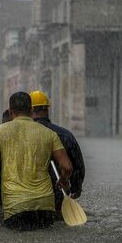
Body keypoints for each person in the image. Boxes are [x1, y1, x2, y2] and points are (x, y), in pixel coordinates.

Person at [0, 92, 73, 230]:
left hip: (15, 206)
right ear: (31, 111)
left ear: (10, 112)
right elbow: (67, 167)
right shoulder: (49, 134)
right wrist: (63, 180)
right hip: (45, 207)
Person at [30, 90, 85, 219]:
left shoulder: (20, 136)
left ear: (30, 110)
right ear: (47, 110)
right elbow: (77, 166)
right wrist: (75, 190)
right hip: (58, 198)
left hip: (26, 199)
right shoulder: (65, 135)